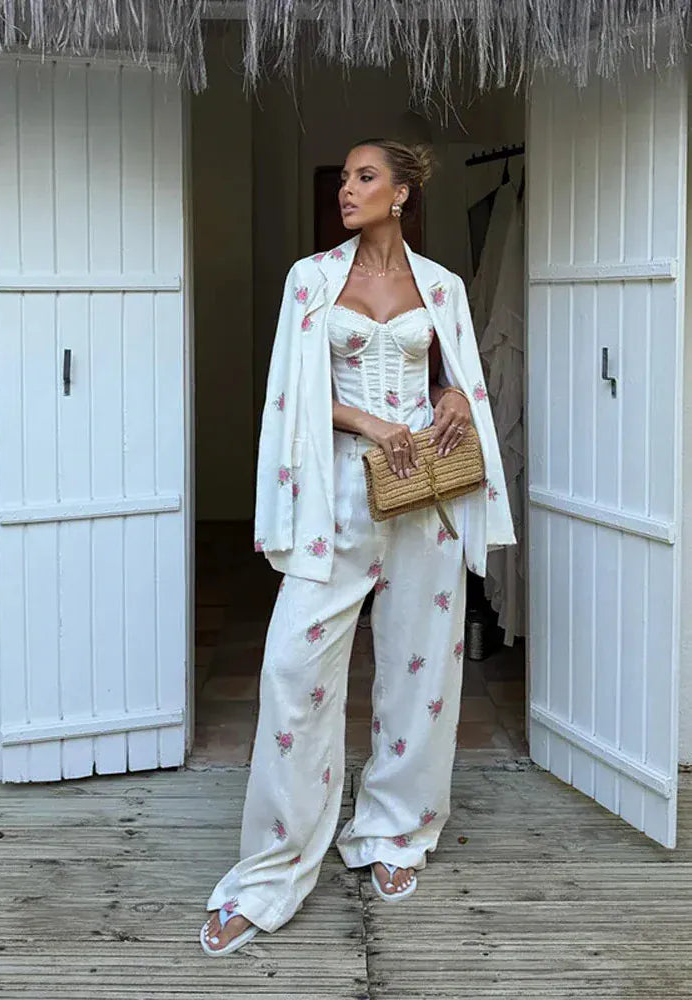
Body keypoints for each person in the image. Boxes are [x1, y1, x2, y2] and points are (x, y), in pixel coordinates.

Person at [200, 139, 515, 956]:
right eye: (343, 177)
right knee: (293, 673)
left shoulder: (439, 285)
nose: (347, 188)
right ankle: (273, 868)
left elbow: (453, 377)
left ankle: (393, 832)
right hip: (335, 500)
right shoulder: (311, 280)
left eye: (364, 176)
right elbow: (292, 389)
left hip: (424, 502)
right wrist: (369, 421)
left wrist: (447, 403)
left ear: (402, 193)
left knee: (421, 667)